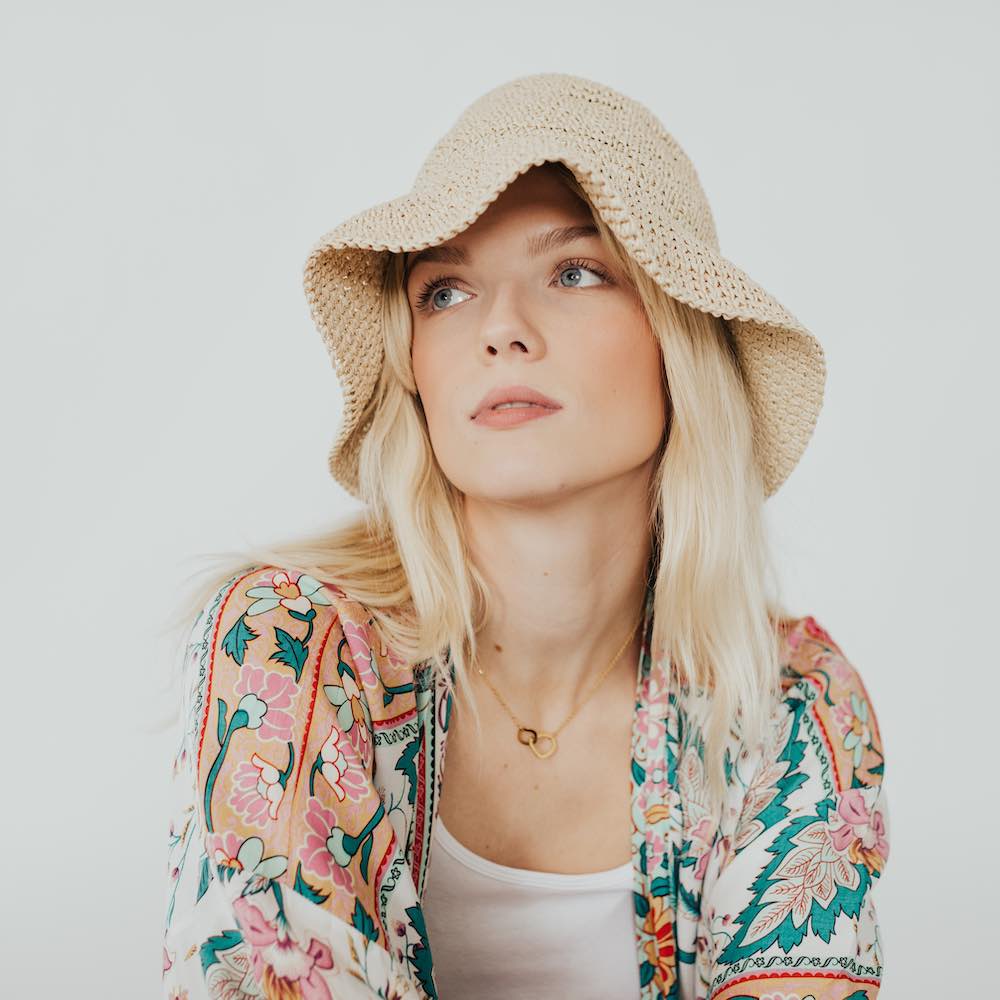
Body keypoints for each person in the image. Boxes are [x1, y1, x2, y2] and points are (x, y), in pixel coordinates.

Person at [162, 73, 889, 1000]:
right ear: (415, 368)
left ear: (680, 343)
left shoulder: (790, 700)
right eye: (446, 291)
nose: (500, 329)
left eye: (575, 272)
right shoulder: (287, 642)